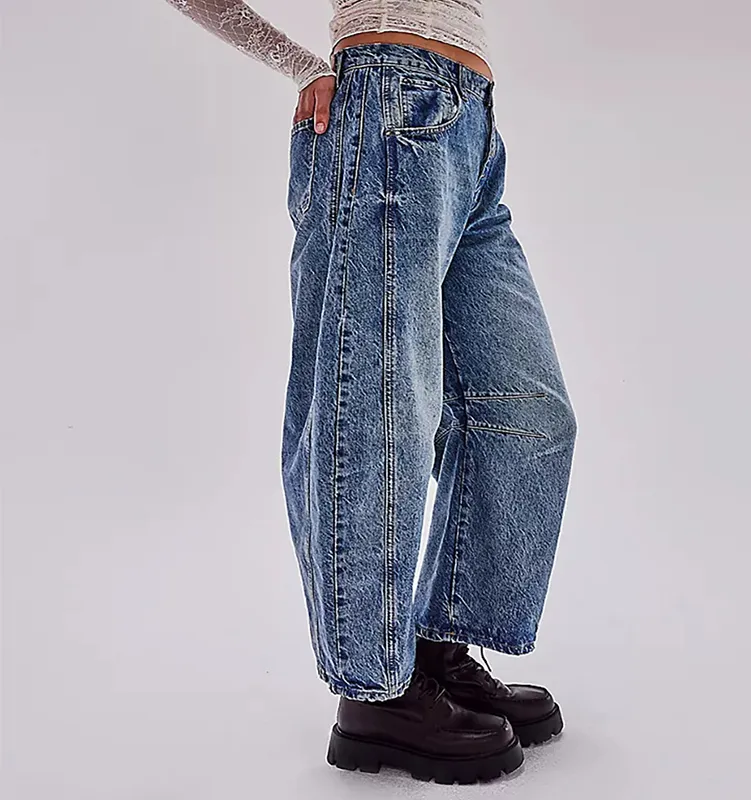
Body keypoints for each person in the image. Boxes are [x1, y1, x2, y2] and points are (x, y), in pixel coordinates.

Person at [164, 0, 578, 784]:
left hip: (472, 131)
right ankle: (374, 692)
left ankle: (436, 650)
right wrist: (304, 66)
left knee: (525, 413)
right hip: (386, 106)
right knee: (376, 406)